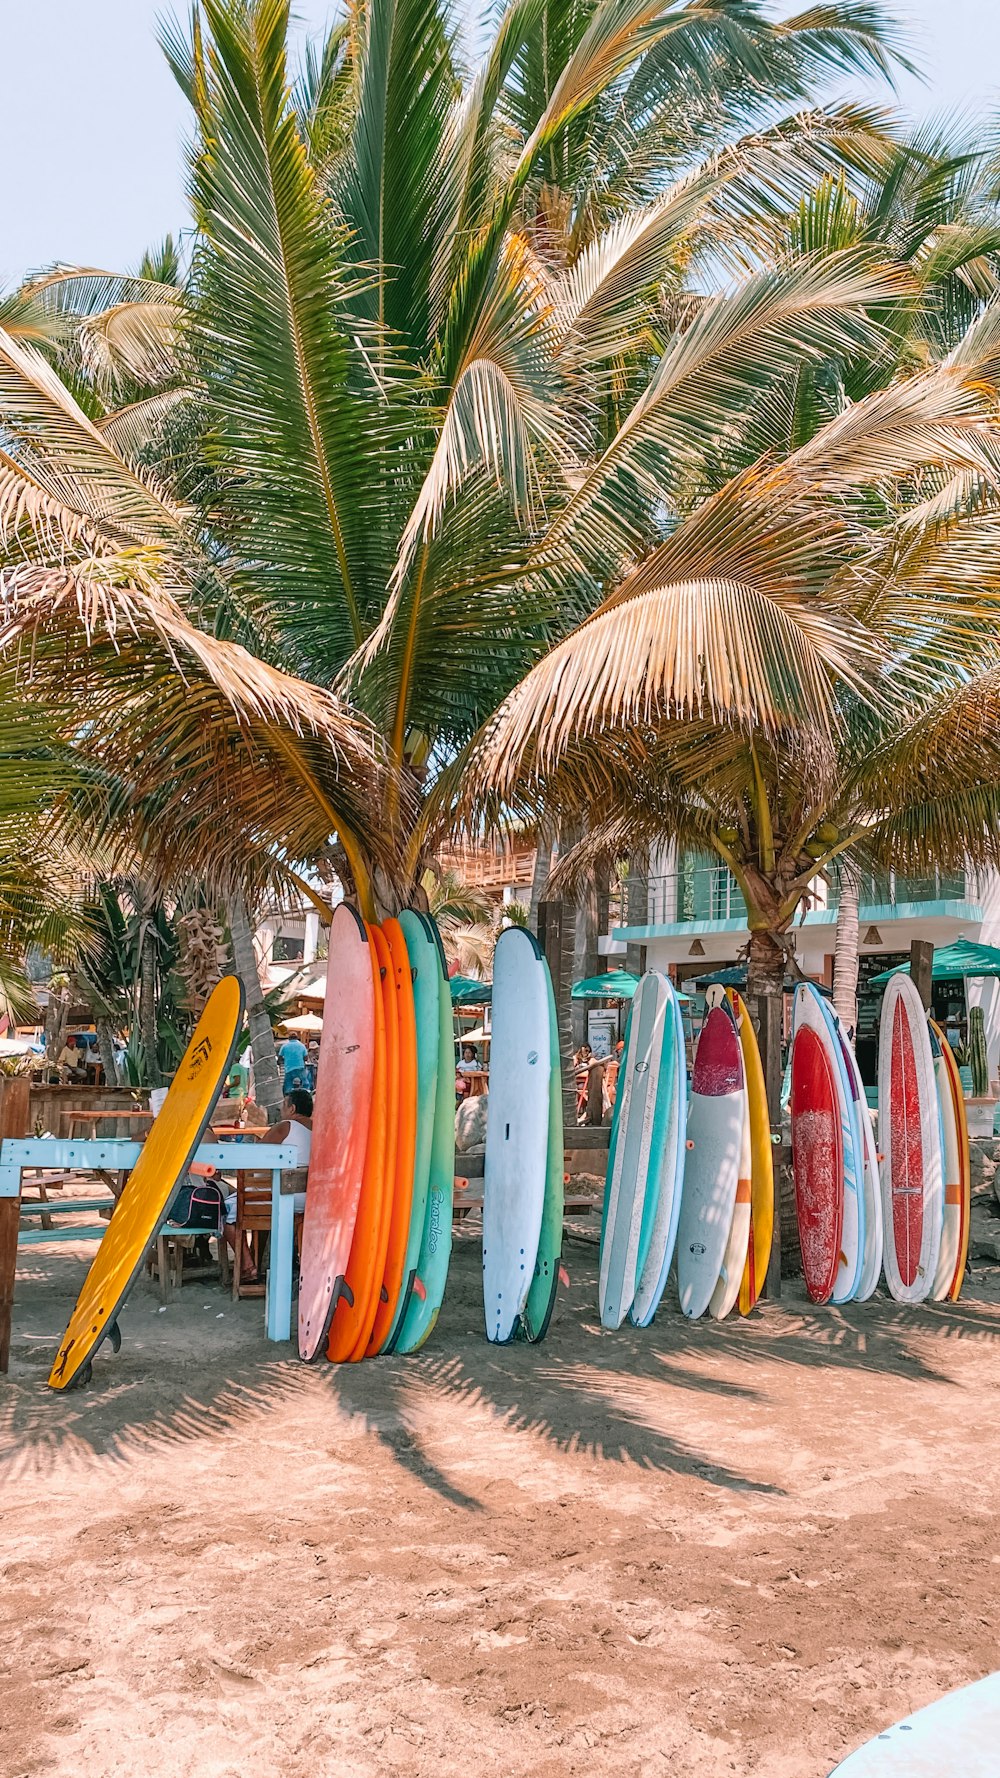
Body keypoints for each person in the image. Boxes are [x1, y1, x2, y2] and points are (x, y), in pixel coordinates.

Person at [223, 1088, 313, 1281]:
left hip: (282, 1197)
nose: (281, 1109)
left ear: (292, 1108)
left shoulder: (286, 1126)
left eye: (283, 1105)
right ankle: (255, 1260)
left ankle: (248, 1267)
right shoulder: (319, 1128)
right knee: (259, 1204)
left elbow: (257, 1156)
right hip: (309, 1199)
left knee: (225, 1211)